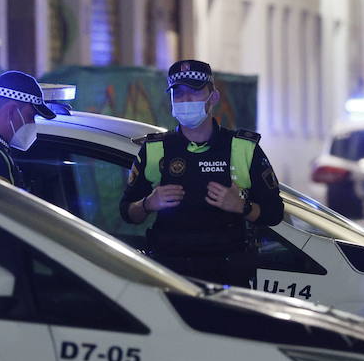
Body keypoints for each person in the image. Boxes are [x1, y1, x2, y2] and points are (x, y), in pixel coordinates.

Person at [119, 59, 284, 287]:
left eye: (194, 92)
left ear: (213, 97)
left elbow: (274, 213)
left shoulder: (243, 147)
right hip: (170, 277)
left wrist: (242, 207)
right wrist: (148, 203)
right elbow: (127, 212)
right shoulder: (155, 148)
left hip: (226, 278)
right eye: (178, 94)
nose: (185, 100)